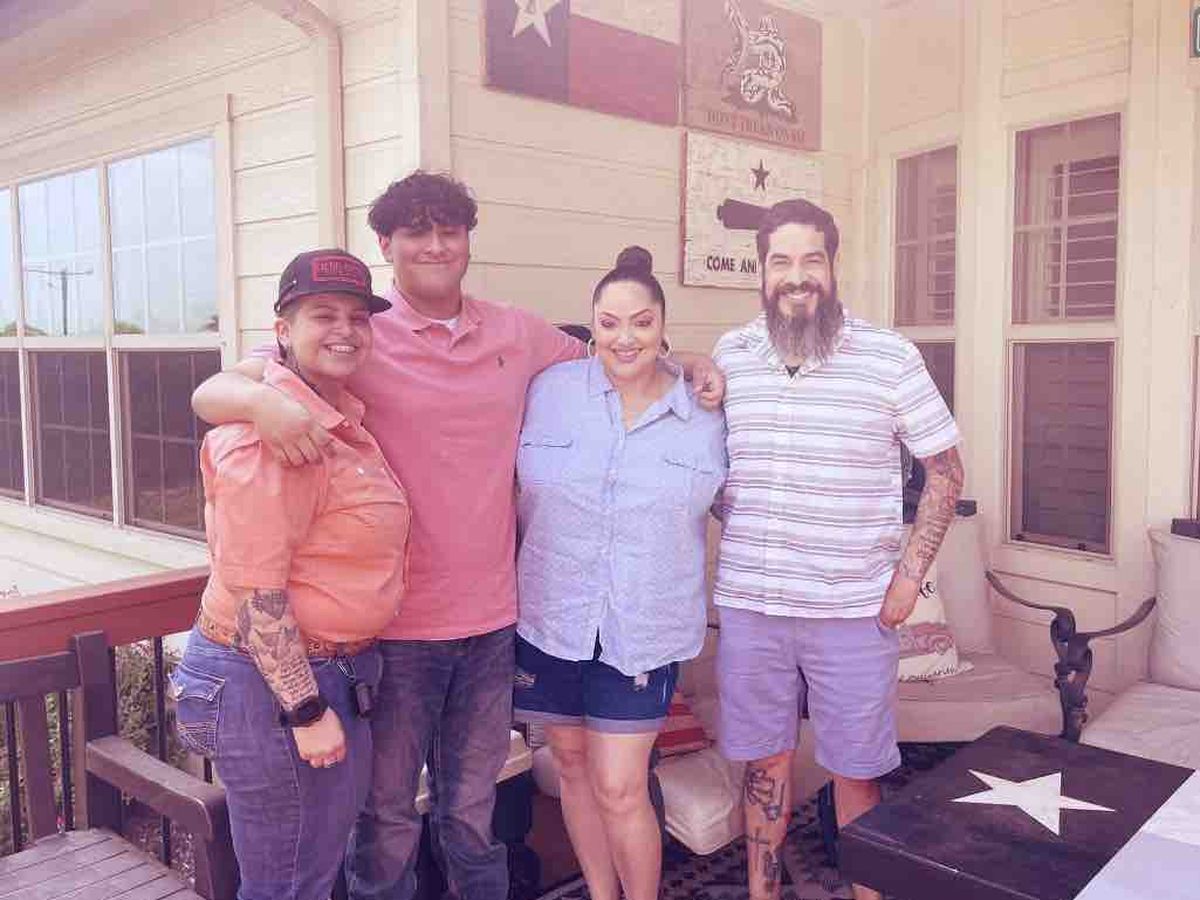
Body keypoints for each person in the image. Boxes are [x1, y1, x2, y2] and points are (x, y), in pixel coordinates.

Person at [190, 171, 725, 900]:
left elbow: (621, 355)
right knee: (385, 820)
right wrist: (262, 405)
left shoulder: (517, 334)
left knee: (474, 816)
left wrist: (687, 360)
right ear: (387, 244)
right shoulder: (354, 333)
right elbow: (215, 391)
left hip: (494, 624)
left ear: (469, 240)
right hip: (394, 633)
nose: (436, 245)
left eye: (450, 229)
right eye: (416, 231)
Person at [712, 199, 964, 900]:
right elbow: (711, 464)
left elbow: (945, 470)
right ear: (762, 272)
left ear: (833, 266)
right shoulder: (733, 356)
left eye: (811, 260)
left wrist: (910, 577)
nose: (797, 277)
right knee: (764, 768)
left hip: (853, 610)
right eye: (781, 262)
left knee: (857, 772)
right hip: (753, 607)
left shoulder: (889, 357)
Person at [171, 249, 410, 900]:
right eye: (323, 315)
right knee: (289, 884)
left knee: (309, 868)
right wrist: (305, 710)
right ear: (283, 330)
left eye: (358, 317)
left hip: (324, 673)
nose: (345, 330)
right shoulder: (269, 438)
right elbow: (256, 592)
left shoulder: (331, 414)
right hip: (274, 685)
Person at [513, 247, 727, 900]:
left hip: (644, 628)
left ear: (663, 326)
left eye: (641, 322)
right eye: (609, 323)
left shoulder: (706, 412)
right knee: (572, 768)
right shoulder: (548, 390)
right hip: (552, 618)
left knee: (620, 786)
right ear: (592, 326)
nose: (624, 337)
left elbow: (744, 503)